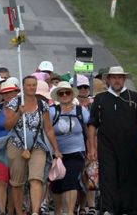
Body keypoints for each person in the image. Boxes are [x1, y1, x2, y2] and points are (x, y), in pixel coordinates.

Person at [87, 66, 137, 215]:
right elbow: (92, 125)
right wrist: (92, 148)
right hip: (107, 146)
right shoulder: (100, 99)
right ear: (108, 79)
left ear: (124, 79)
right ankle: (108, 209)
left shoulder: (134, 97)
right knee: (108, 176)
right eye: (114, 77)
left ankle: (129, 208)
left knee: (130, 178)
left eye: (120, 77)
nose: (117, 80)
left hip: (131, 146)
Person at [4, 75, 62, 215]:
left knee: (37, 178)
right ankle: (19, 211)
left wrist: (56, 149)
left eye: (34, 85)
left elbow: (48, 128)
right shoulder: (15, 102)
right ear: (23, 87)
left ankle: (35, 212)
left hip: (37, 144)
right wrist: (19, 113)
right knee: (17, 182)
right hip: (17, 143)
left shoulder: (42, 105)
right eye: (29, 85)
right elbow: (7, 125)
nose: (31, 87)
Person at [48, 82, 90, 215]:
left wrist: (92, 150)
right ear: (58, 96)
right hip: (57, 154)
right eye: (61, 93)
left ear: (72, 94)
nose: (65, 95)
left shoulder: (81, 111)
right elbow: (47, 131)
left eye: (67, 92)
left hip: (77, 152)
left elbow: (90, 133)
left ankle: (70, 212)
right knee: (57, 185)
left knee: (71, 180)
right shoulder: (52, 111)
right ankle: (58, 211)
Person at [0, 77, 21, 215]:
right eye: (6, 93)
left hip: (17, 148)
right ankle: (1, 210)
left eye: (11, 92)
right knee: (1, 181)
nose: (9, 96)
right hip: (0, 149)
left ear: (16, 93)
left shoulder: (22, 110)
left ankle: (11, 210)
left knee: (15, 183)